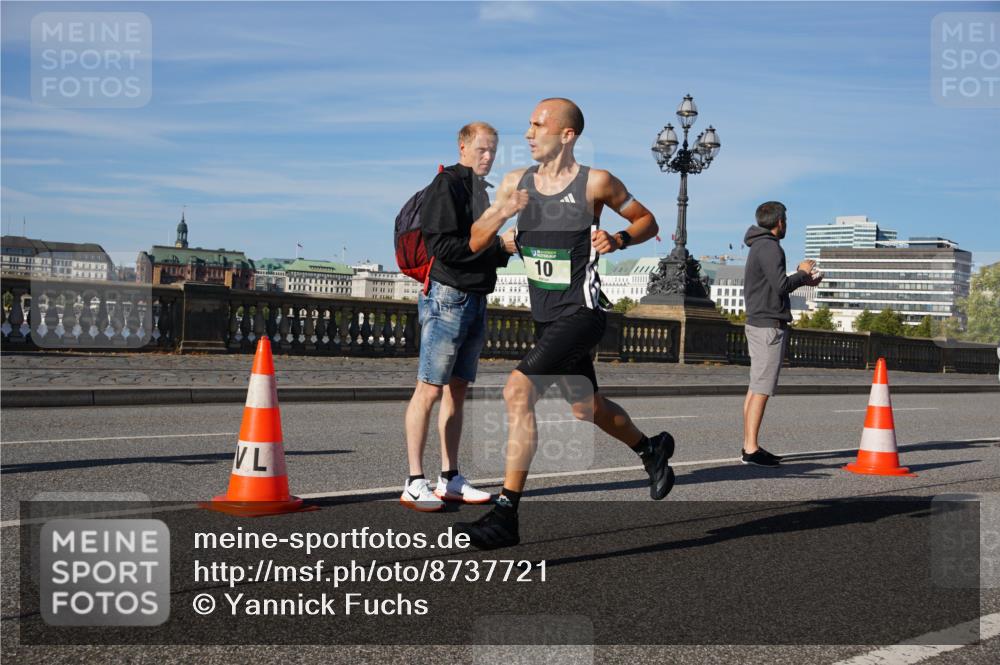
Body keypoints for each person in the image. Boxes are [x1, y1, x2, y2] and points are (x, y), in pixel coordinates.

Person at [455, 98, 673, 549]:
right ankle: (651, 450)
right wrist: (503, 214)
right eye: (529, 126)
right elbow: (476, 241)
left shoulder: (596, 183)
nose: (529, 134)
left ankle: (505, 515)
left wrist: (618, 237)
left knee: (517, 390)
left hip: (584, 312)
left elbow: (647, 221)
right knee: (584, 407)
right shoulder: (517, 182)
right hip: (545, 317)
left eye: (538, 126)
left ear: (567, 135)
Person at [400, 122, 528, 512]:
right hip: (447, 297)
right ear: (462, 147)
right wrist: (497, 237)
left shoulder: (479, 191)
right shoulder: (446, 186)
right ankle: (413, 480)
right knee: (429, 389)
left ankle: (450, 477)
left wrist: (503, 248)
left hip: (474, 298)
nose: (488, 157)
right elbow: (445, 248)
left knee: (458, 391)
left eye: (492, 151)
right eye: (481, 150)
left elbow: (477, 248)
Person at [741, 201, 822, 467]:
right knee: (762, 389)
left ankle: (748, 445)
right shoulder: (771, 247)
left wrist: (804, 280)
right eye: (785, 219)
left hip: (758, 322)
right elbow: (781, 285)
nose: (786, 223)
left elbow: (773, 283)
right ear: (779, 222)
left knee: (755, 388)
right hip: (768, 327)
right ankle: (751, 449)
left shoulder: (759, 245)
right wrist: (802, 272)